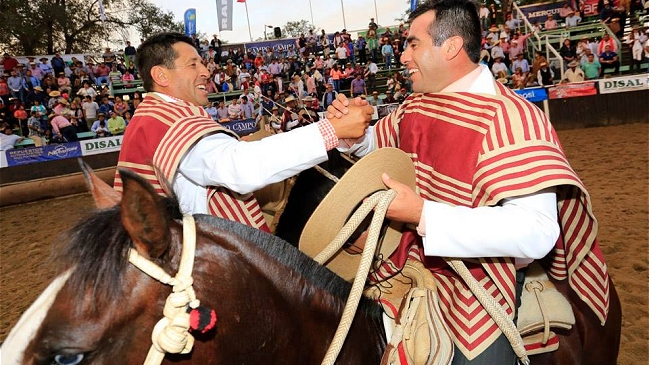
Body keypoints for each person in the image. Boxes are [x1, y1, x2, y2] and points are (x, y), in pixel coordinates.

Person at [328, 1, 611, 363]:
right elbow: (378, 143)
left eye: (413, 44)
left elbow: (538, 231)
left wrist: (423, 214)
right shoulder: (418, 106)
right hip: (412, 264)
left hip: (484, 282)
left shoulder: (513, 119)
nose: (402, 56)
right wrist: (351, 133)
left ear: (451, 47)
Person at [114, 32, 372, 230]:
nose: (206, 72)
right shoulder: (166, 121)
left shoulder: (152, 117)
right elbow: (239, 168)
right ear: (161, 75)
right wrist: (332, 129)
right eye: (193, 64)